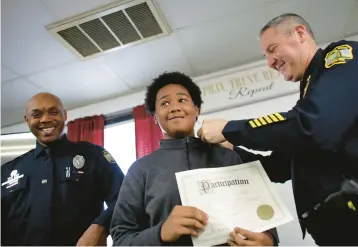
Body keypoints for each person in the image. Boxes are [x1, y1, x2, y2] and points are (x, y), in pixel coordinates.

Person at [197, 13, 358, 245]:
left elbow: (312, 125)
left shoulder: (339, 57)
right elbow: (278, 168)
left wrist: (229, 129)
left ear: (300, 34)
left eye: (273, 49)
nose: (270, 62)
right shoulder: (308, 97)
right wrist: (233, 148)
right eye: (266, 56)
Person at [110, 72, 277, 246]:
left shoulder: (229, 157)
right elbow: (121, 239)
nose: (174, 107)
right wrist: (161, 233)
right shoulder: (140, 170)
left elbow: (261, 215)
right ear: (155, 117)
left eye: (182, 100)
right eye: (165, 103)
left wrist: (268, 239)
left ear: (196, 110)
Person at [1, 92, 125, 246]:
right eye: (36, 114)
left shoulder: (93, 156)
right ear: (27, 120)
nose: (45, 119)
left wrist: (101, 227)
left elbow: (125, 197)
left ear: (64, 115)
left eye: (53, 112)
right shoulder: (7, 172)